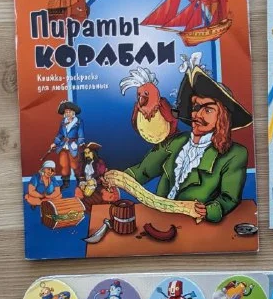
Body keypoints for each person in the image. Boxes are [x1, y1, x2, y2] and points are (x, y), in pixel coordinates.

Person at [106, 64, 252, 224]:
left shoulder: (235, 154)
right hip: (159, 219)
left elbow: (229, 198)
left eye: (208, 110)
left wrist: (209, 210)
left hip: (195, 226)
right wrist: (117, 180)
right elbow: (143, 171)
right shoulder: (176, 141)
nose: (198, 115)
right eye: (196, 107)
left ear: (222, 118)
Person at [50, 101, 85, 187]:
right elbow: (60, 134)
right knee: (63, 164)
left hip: (73, 146)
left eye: (69, 111)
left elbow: (81, 134)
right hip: (63, 146)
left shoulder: (78, 122)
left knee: (75, 165)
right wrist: (55, 143)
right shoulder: (63, 122)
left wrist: (80, 143)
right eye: (66, 112)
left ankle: (79, 181)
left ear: (73, 112)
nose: (68, 113)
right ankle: (66, 183)